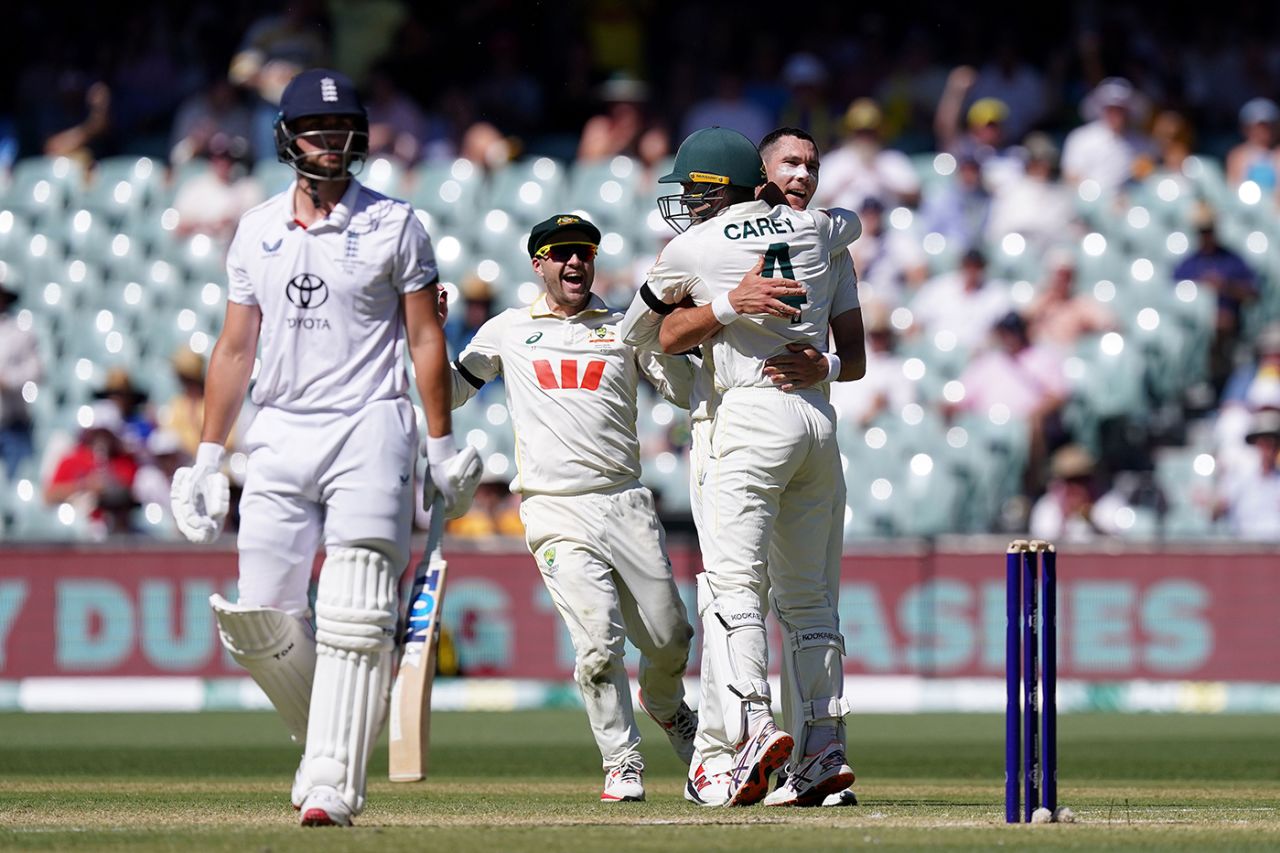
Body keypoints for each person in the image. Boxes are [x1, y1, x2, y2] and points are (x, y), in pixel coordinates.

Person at [167, 69, 481, 829]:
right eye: (316, 130)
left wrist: (441, 444)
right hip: (278, 428)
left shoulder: (397, 224)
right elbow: (234, 348)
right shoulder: (256, 229)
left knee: (356, 607)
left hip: (370, 424)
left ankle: (332, 782)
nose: (331, 142)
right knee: (257, 619)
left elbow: (425, 338)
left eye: (342, 129)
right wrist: (208, 455)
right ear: (287, 138)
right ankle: (334, 735)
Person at [620, 127, 862, 808]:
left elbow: (639, 331)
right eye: (792, 164)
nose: (803, 175)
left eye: (811, 164)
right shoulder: (823, 233)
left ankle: (751, 728)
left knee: (732, 588)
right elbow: (852, 222)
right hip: (815, 420)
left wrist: (725, 303)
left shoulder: (695, 245)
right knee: (810, 598)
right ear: (762, 175)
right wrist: (824, 364)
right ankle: (823, 746)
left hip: (745, 414)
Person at [444, 214, 697, 803]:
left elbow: (684, 391)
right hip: (555, 508)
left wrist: (670, 325)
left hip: (624, 501)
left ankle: (665, 704)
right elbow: (451, 393)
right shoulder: (508, 330)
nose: (575, 262)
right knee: (599, 645)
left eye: (584, 252)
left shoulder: (624, 327)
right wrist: (426, 338)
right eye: (561, 254)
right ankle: (622, 761)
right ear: (539, 265)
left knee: (671, 638)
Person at [0, 280, 42, 478]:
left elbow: (36, 371)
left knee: (17, 481)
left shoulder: (20, 331)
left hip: (12, 423)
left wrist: (8, 380)